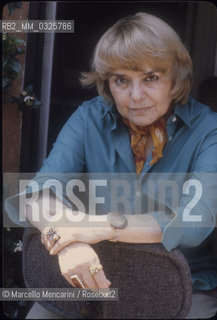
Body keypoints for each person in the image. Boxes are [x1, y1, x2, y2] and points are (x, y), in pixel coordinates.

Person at [5, 12, 217, 319]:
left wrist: (97, 226)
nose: (135, 96)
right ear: (108, 82)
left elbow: (195, 219)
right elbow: (40, 192)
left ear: (176, 78)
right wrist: (66, 243)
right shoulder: (89, 117)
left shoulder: (209, 129)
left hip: (182, 285)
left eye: (151, 78)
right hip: (88, 273)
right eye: (121, 80)